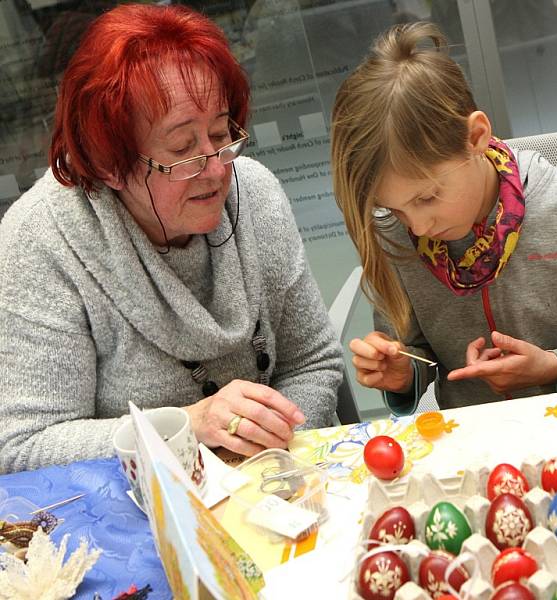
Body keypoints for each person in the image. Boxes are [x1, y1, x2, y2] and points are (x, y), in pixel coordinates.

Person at [0, 4, 343, 473]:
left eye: (221, 133)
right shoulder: (41, 243)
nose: (218, 169)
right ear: (108, 164)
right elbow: (24, 447)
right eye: (182, 150)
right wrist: (185, 426)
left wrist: (268, 465)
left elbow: (313, 363)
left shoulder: (254, 192)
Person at [330, 22, 557, 412]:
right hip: (479, 440)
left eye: (427, 196)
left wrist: (556, 366)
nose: (417, 226)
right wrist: (404, 373)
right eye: (392, 208)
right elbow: (416, 354)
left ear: (476, 136)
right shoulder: (395, 238)